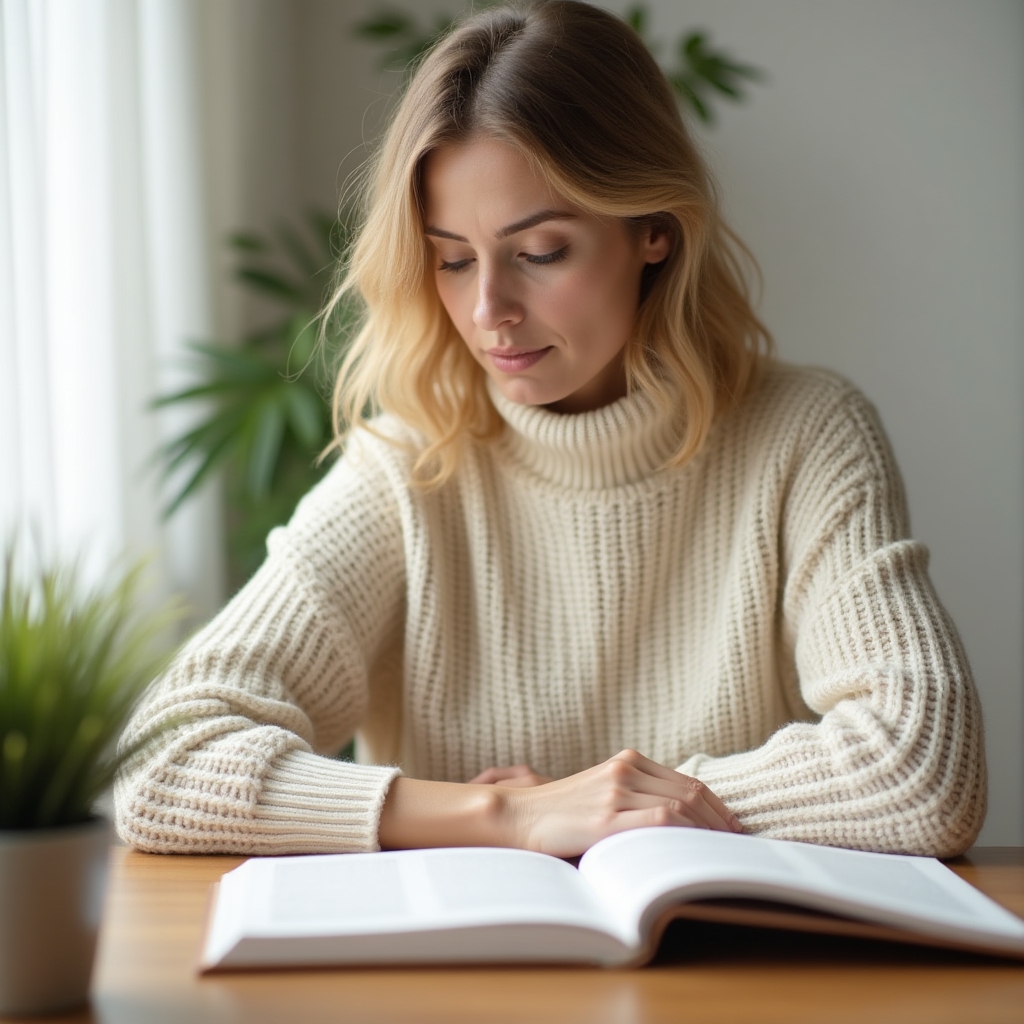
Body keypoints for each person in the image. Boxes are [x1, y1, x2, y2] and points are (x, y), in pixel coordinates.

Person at [115, 0, 985, 859]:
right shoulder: (408, 467)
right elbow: (162, 762)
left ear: (654, 230)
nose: (488, 309)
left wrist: (616, 811)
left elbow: (924, 768)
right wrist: (507, 817)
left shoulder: (804, 435)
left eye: (540, 253)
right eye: (452, 259)